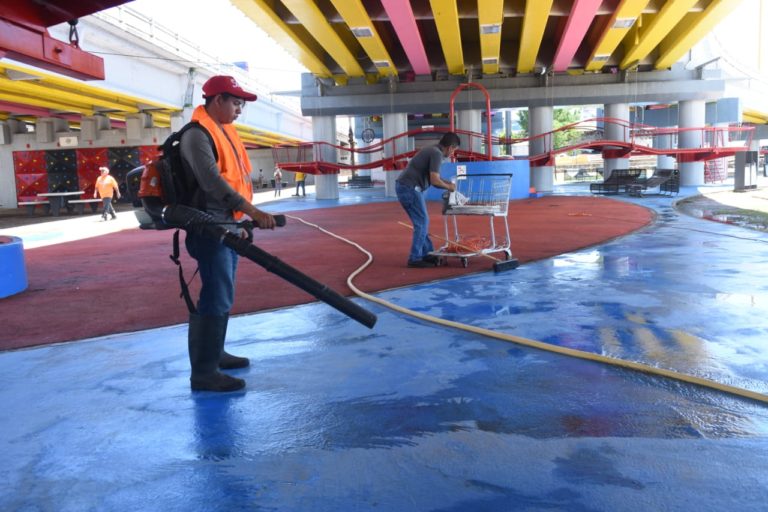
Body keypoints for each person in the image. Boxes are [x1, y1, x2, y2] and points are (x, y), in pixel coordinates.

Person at [179, 75, 277, 392]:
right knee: (217, 293)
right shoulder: (197, 135)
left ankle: (215, 354)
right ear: (217, 99)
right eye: (235, 103)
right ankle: (204, 373)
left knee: (223, 292)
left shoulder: (223, 132)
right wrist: (253, 213)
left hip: (228, 225)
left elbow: (236, 181)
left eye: (241, 105)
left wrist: (242, 221)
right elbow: (213, 183)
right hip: (209, 228)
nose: (239, 110)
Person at [395, 132, 459, 268]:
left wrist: (447, 183)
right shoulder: (436, 154)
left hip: (406, 187)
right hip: (410, 188)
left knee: (422, 222)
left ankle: (427, 253)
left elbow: (435, 177)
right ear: (450, 147)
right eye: (454, 150)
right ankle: (415, 258)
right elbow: (435, 181)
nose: (452, 153)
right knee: (422, 222)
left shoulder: (432, 150)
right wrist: (449, 187)